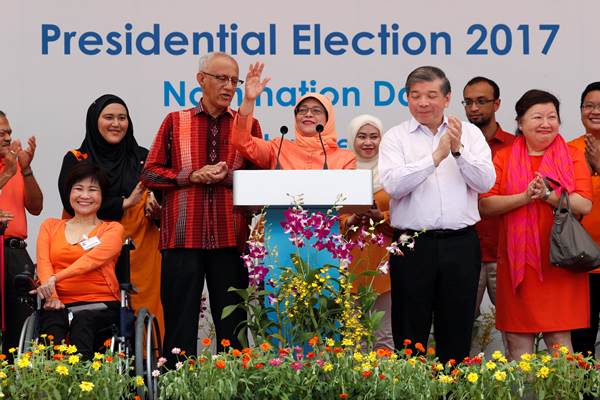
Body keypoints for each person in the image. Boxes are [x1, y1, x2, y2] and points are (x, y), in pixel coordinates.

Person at [141, 52, 262, 363]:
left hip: (230, 239)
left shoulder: (247, 124)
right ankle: (176, 388)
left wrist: (227, 178)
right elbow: (150, 172)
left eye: (234, 81)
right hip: (182, 237)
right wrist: (192, 175)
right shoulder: (175, 121)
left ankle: (233, 388)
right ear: (201, 80)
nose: (229, 86)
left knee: (233, 328)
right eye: (221, 78)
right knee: (179, 327)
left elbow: (261, 180)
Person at [379, 66, 495, 363]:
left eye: (431, 95)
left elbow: (485, 182)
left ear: (447, 98)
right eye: (415, 96)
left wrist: (457, 151)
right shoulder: (396, 137)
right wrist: (434, 158)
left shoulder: (468, 134)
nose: (423, 102)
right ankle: (411, 390)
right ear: (406, 99)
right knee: (409, 328)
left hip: (460, 243)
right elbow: (393, 185)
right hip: (411, 244)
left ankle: (452, 391)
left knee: (456, 327)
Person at [479, 89, 592, 360]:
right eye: (537, 117)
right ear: (520, 123)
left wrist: (548, 196)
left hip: (561, 264)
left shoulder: (572, 155)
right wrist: (525, 197)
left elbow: (584, 204)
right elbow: (485, 205)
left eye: (552, 117)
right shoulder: (503, 157)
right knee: (518, 348)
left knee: (561, 346)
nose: (546, 123)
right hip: (519, 268)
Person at [57, 94, 164, 337]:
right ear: (94, 121)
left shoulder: (143, 158)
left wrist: (156, 209)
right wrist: (124, 203)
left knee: (143, 306)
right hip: (87, 244)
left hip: (138, 249)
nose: (116, 124)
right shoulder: (76, 159)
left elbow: (159, 201)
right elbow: (71, 201)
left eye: (122, 118)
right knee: (87, 308)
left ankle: (147, 366)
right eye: (109, 117)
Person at [36, 163, 124, 360]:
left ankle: (82, 380)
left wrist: (55, 278)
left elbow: (92, 260)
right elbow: (43, 263)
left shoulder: (112, 229)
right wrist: (52, 296)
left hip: (100, 303)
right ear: (69, 193)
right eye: (78, 189)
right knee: (52, 323)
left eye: (92, 190)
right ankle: (54, 381)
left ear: (102, 197)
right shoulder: (50, 226)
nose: (85, 196)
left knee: (83, 319)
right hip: (59, 301)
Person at [231, 62, 355, 170]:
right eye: (302, 110)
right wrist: (249, 99)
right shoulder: (278, 149)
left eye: (316, 111)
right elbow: (242, 141)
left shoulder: (346, 159)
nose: (308, 114)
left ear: (328, 120)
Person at [462, 77, 515, 317]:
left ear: (497, 104)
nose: (474, 108)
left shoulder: (515, 147)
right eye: (469, 102)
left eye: (481, 102)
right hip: (464, 250)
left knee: (515, 328)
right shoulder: (454, 145)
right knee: (458, 326)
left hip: (506, 252)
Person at [340, 114, 393, 350]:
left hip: (384, 264)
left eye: (374, 136)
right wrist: (351, 219)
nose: (368, 142)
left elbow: (406, 216)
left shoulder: (392, 173)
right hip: (350, 264)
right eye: (362, 136)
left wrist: (379, 217)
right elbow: (332, 218)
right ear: (352, 139)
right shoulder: (343, 172)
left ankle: (385, 386)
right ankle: (353, 387)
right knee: (354, 337)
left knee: (383, 335)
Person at [0, 110, 43, 351]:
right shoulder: (8, 168)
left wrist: (25, 170)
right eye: (1, 133)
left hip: (16, 254)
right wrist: (6, 173)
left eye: (9, 132)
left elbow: (36, 207)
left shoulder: (16, 164)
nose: (7, 138)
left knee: (21, 329)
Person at [569, 82, 600, 358]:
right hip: (582, 263)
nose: (595, 111)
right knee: (581, 344)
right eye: (589, 105)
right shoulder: (568, 150)